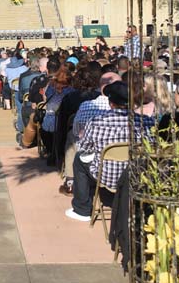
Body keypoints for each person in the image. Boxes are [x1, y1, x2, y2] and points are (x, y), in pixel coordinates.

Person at [65, 81, 154, 221]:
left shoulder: (96, 122)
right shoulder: (147, 122)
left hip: (106, 175)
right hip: (137, 174)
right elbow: (152, 147)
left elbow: (85, 149)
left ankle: (82, 209)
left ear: (111, 103)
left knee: (78, 160)